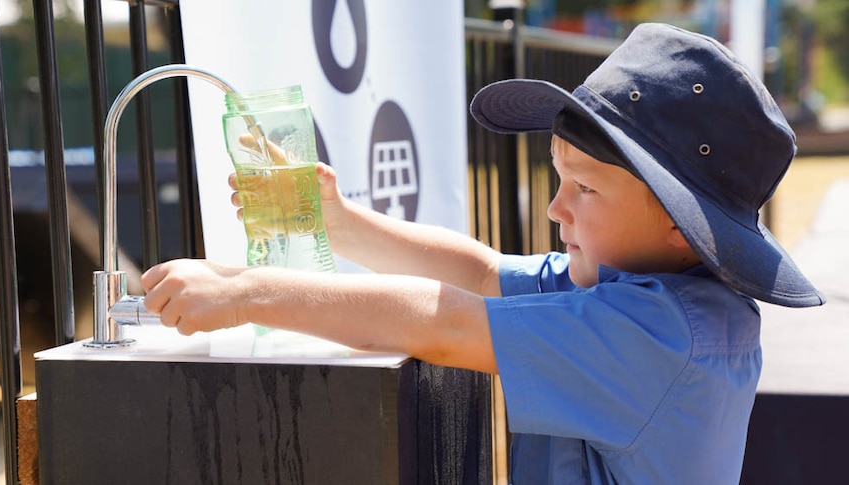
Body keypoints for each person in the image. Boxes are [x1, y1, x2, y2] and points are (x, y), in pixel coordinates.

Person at [140, 23, 825, 484]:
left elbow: (448, 322)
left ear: (685, 225)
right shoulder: (642, 290)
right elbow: (484, 272)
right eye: (559, 178)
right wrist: (342, 222)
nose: (556, 208)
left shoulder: (664, 337)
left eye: (584, 187)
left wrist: (250, 290)